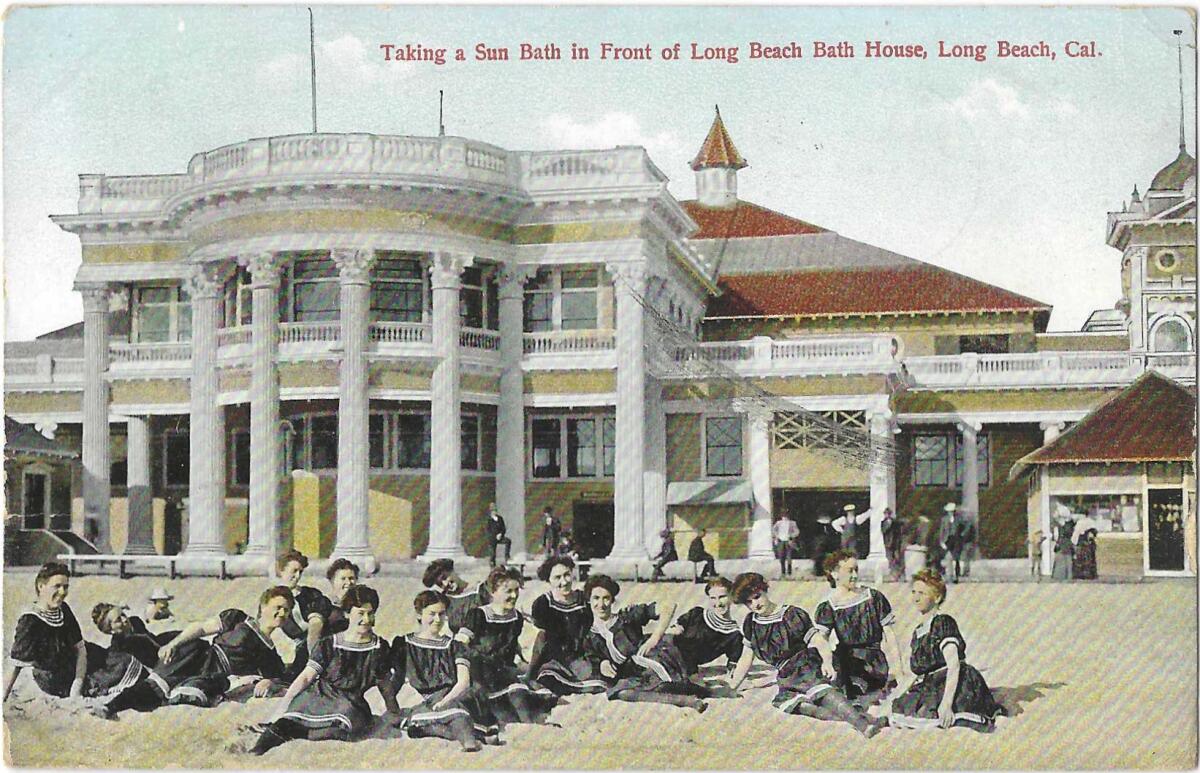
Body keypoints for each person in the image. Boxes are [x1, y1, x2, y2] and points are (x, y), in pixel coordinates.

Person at [243, 585, 399, 755]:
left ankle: (296, 734)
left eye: (370, 613)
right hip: (318, 696)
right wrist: (279, 712)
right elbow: (305, 678)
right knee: (285, 723)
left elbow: (385, 684)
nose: (366, 619)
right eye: (360, 613)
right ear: (347, 614)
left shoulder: (379, 647)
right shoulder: (329, 643)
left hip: (351, 703)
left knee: (337, 730)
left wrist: (393, 711)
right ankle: (254, 754)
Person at [93, 587, 295, 717]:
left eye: (286, 610)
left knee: (185, 697)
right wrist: (174, 643)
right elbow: (201, 628)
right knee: (154, 687)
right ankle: (110, 707)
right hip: (198, 654)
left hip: (217, 677)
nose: (282, 613)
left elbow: (277, 678)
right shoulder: (237, 618)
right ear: (263, 605)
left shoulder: (271, 654)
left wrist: (269, 681)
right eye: (278, 607)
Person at [727, 572, 884, 737]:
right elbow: (746, 656)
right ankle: (859, 718)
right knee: (798, 705)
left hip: (805, 665)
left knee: (821, 693)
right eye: (749, 602)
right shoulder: (751, 623)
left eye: (757, 597)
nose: (755, 605)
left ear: (765, 589)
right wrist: (733, 685)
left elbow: (818, 640)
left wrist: (827, 662)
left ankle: (862, 725)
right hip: (786, 676)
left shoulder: (791, 614)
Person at [3, 562, 148, 704]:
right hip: (55, 677)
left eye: (65, 587)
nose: (62, 592)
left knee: (125, 660)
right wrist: (2, 697)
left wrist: (77, 685)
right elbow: (16, 665)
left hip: (82, 661)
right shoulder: (30, 620)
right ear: (41, 586)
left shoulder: (63, 609)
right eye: (57, 586)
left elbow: (80, 650)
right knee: (116, 672)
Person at [886, 570, 1006, 732]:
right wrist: (893, 698)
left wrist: (947, 704)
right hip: (932, 685)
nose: (916, 597)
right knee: (900, 710)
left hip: (957, 681)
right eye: (914, 592)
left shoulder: (942, 623)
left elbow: (954, 665)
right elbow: (914, 674)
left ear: (937, 598)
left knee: (952, 717)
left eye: (922, 593)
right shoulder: (918, 632)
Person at [386, 590, 501, 751]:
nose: (437, 620)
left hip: (451, 696)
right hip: (422, 699)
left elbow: (463, 683)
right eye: (432, 614)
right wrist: (392, 707)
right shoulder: (403, 644)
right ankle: (468, 738)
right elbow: (397, 678)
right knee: (452, 717)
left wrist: (443, 702)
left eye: (442, 614)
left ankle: (465, 738)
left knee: (456, 711)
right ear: (419, 615)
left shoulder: (454, 645)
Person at [581, 574, 709, 713]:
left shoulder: (627, 617)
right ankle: (685, 700)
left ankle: (694, 692)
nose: (601, 604)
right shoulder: (590, 635)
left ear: (612, 600)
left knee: (660, 683)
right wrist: (602, 664)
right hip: (632, 674)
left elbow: (669, 606)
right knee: (621, 693)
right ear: (589, 600)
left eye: (606, 598)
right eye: (596, 598)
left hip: (652, 659)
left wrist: (654, 638)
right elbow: (593, 657)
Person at [455, 566, 558, 725]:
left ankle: (529, 722)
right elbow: (460, 643)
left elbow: (513, 646)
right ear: (493, 592)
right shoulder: (479, 615)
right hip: (481, 672)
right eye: (508, 591)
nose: (514, 595)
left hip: (504, 671)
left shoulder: (516, 617)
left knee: (529, 693)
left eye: (516, 590)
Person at [812, 551, 905, 705]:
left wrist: (899, 670)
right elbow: (822, 639)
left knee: (852, 688)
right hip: (843, 657)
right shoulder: (828, 605)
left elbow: (889, 634)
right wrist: (826, 662)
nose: (854, 575)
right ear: (834, 574)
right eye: (849, 571)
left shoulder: (873, 597)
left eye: (856, 570)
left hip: (871, 659)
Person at [529, 555, 606, 696]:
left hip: (582, 656)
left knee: (597, 683)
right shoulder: (542, 604)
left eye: (567, 575)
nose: (564, 582)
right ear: (549, 580)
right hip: (554, 658)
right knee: (549, 679)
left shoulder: (585, 599)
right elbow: (542, 640)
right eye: (557, 578)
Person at [276, 550, 335, 681]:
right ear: (281, 570)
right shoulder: (272, 601)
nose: (297, 576)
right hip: (302, 650)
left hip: (324, 643)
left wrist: (313, 660)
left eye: (300, 572)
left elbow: (315, 627)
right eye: (294, 571)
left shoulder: (310, 594)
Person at [667, 577, 743, 678]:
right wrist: (676, 629)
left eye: (722, 597)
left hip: (686, 668)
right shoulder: (697, 614)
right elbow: (672, 632)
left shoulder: (734, 635)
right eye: (713, 598)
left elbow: (733, 665)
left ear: (731, 597)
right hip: (666, 653)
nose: (718, 603)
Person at [91, 603, 180, 669]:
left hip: (159, 643)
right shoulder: (120, 648)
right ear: (110, 630)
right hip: (158, 663)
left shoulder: (135, 621)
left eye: (123, 615)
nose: (125, 619)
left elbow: (151, 638)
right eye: (118, 620)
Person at [422, 558, 490, 634]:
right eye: (440, 584)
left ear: (452, 570)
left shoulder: (482, 590)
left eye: (444, 577)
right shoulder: (445, 601)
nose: (445, 584)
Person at [935, 503, 959, 581]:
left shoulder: (958, 519)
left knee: (955, 559)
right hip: (947, 540)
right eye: (949, 511)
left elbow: (961, 530)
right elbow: (942, 530)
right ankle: (950, 575)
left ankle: (955, 576)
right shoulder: (944, 519)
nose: (950, 513)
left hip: (956, 541)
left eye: (952, 511)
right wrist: (941, 541)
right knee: (948, 558)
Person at [880, 509, 904, 581]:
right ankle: (892, 574)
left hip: (895, 543)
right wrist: (888, 525)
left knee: (896, 559)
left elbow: (898, 532)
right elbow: (883, 531)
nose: (887, 515)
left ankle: (897, 574)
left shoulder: (895, 522)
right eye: (885, 514)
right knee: (890, 559)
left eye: (888, 513)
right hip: (887, 543)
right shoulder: (883, 522)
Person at [1051, 512, 1075, 581]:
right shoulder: (1070, 526)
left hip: (1061, 545)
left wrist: (1057, 542)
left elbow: (1056, 537)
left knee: (1062, 560)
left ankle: (1061, 576)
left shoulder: (1060, 527)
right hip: (1067, 545)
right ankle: (1068, 576)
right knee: (1068, 561)